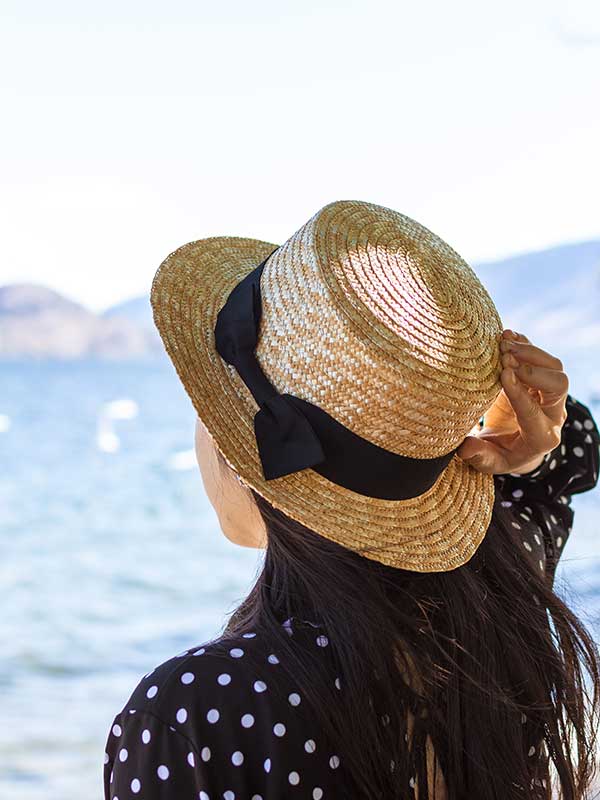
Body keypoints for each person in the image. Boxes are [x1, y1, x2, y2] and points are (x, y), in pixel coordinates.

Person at [103, 200, 600, 799]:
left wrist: (517, 445)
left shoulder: (198, 712)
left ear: (240, 447)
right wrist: (521, 452)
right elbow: (559, 470)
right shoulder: (501, 628)